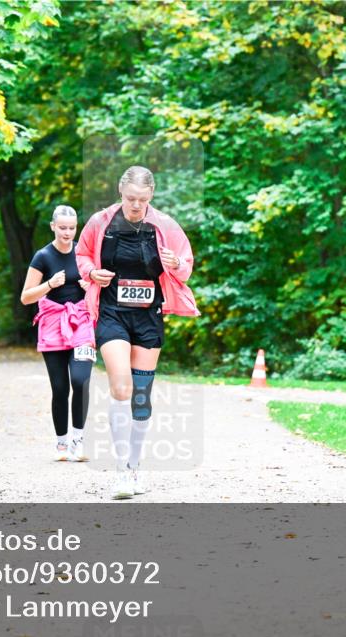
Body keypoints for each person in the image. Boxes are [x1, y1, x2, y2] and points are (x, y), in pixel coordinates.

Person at [76, 166, 199, 499]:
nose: (135, 205)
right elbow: (82, 255)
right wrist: (92, 272)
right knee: (121, 387)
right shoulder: (101, 222)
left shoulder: (166, 226)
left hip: (148, 316)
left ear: (152, 195)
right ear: (120, 191)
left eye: (142, 199)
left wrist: (175, 264)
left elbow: (186, 268)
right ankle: (120, 471)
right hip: (112, 313)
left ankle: (134, 466)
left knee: (141, 395)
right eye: (130, 198)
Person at [21, 205, 96, 462]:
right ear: (53, 226)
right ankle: (62, 443)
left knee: (81, 381)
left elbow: (102, 288)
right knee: (60, 387)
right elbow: (26, 297)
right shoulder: (42, 257)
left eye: (72, 228)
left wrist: (90, 287)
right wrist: (49, 284)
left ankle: (78, 440)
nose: (67, 233)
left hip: (81, 321)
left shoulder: (84, 254)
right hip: (53, 324)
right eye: (62, 227)